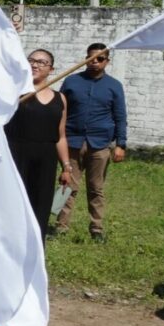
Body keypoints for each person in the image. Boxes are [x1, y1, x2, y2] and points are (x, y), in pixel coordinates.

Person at [55, 42, 126, 243]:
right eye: (91, 58)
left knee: (96, 188)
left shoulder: (114, 86)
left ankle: (96, 229)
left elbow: (120, 116)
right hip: (72, 142)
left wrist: (121, 144)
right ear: (85, 58)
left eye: (100, 59)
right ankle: (60, 226)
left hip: (100, 144)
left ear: (107, 61)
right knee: (66, 185)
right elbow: (60, 110)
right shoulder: (71, 82)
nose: (95, 62)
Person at [5, 49, 74, 238]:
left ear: (51, 69)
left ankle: (35, 251)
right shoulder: (14, 91)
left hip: (45, 161)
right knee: (13, 207)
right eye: (31, 60)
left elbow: (60, 136)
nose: (35, 65)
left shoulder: (61, 99)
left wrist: (66, 167)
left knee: (40, 207)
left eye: (42, 62)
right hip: (15, 157)